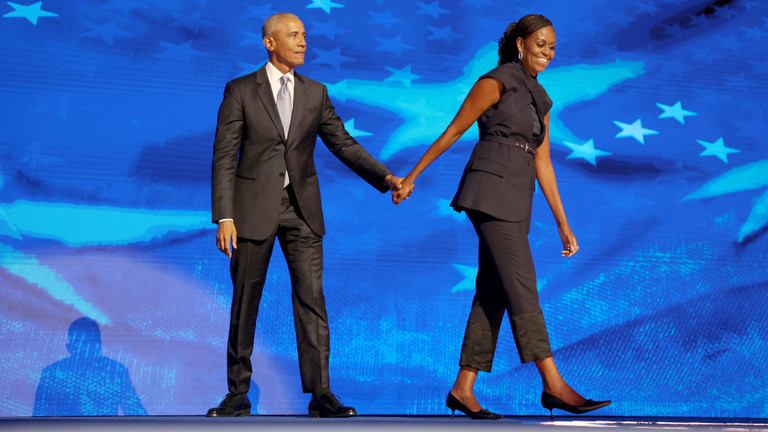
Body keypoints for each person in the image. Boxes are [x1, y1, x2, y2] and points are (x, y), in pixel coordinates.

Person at [392, 14, 610, 419]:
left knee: (493, 292)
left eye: (553, 47)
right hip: (488, 192)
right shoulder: (496, 81)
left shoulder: (542, 100)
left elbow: (544, 163)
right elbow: (453, 130)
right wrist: (412, 176)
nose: (548, 53)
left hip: (517, 199)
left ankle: (463, 389)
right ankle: (553, 384)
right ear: (521, 44)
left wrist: (563, 222)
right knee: (522, 286)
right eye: (541, 44)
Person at [208, 12, 408, 418]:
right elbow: (224, 157)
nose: (302, 42)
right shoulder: (241, 90)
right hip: (251, 211)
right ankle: (237, 393)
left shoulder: (315, 92)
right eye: (294, 36)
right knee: (246, 300)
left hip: (302, 211)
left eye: (304, 36)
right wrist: (224, 216)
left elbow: (343, 144)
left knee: (312, 300)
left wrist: (385, 177)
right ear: (270, 42)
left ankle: (321, 393)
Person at [33, 317, 147, 416]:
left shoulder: (117, 372)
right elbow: (39, 420)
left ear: (99, 344)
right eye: (80, 342)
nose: (86, 348)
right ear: (70, 347)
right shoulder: (52, 374)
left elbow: (136, 413)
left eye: (90, 341)